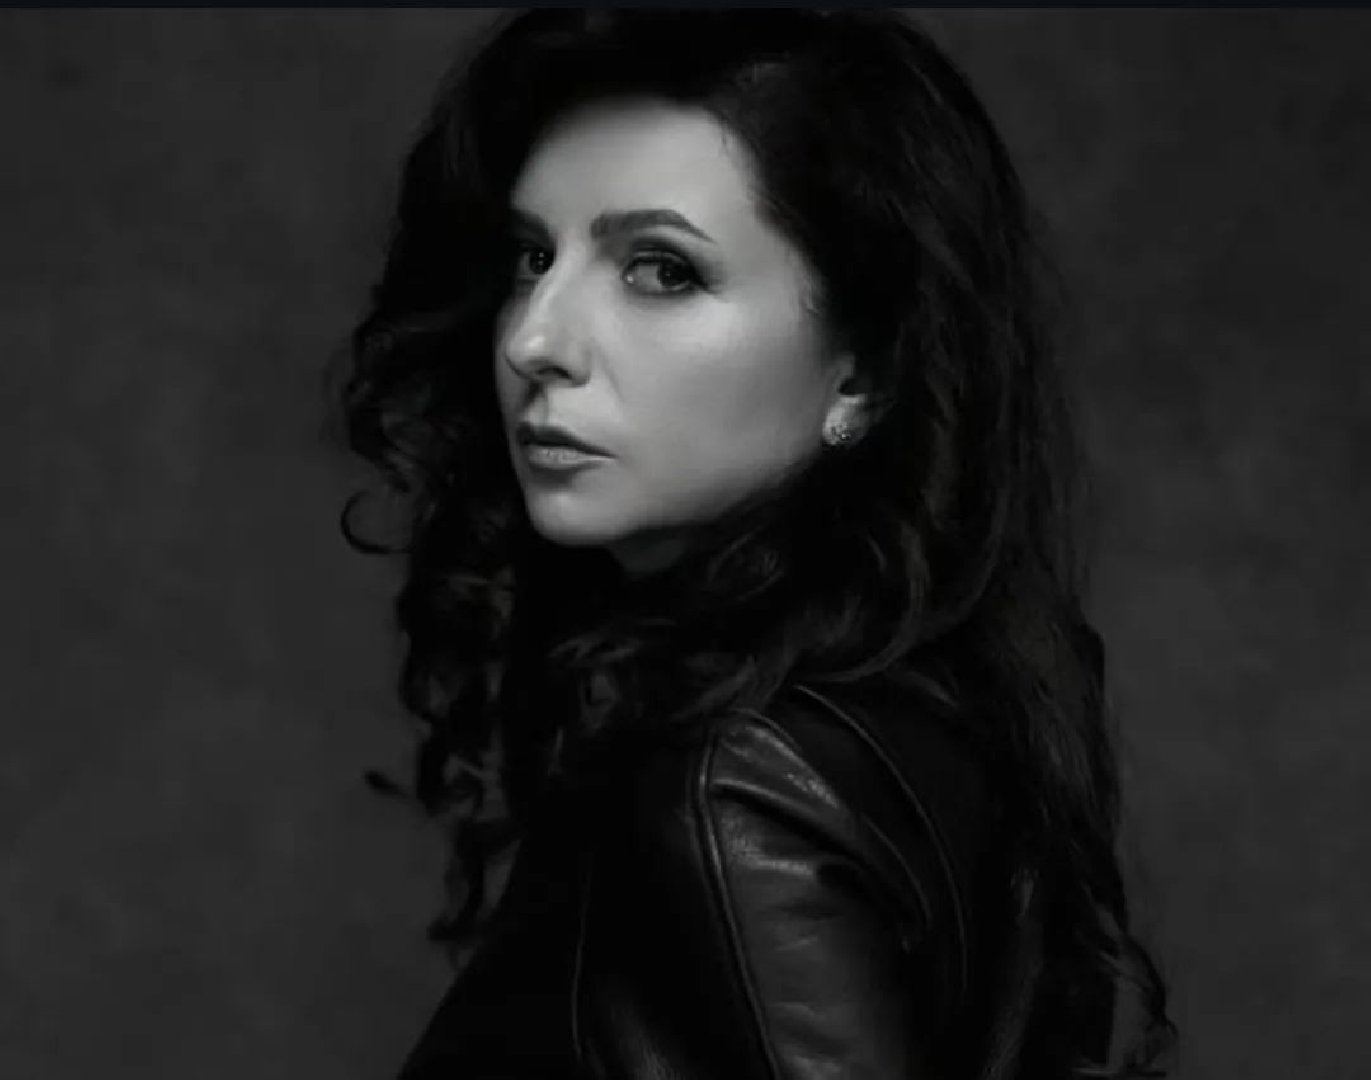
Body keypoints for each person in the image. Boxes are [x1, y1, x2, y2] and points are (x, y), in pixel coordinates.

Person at [337, 10, 1177, 1078]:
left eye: (661, 271)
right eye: (531, 256)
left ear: (863, 372)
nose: (537, 338)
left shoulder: (732, 791)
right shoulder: (947, 697)